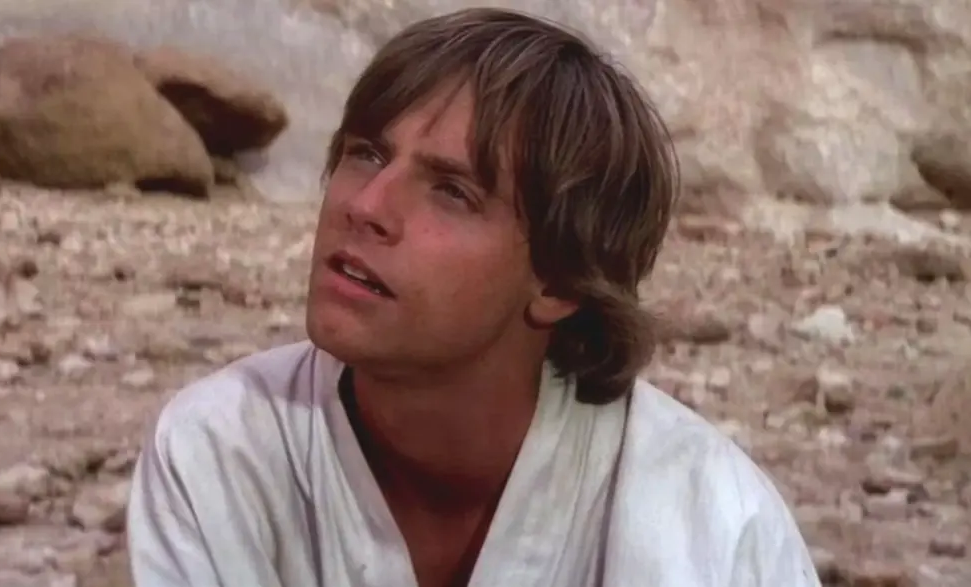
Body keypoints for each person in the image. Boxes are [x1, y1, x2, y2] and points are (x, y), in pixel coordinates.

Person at [126, 7, 821, 587]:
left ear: (560, 279)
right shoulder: (222, 452)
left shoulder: (711, 529)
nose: (366, 205)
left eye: (452, 192)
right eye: (367, 153)